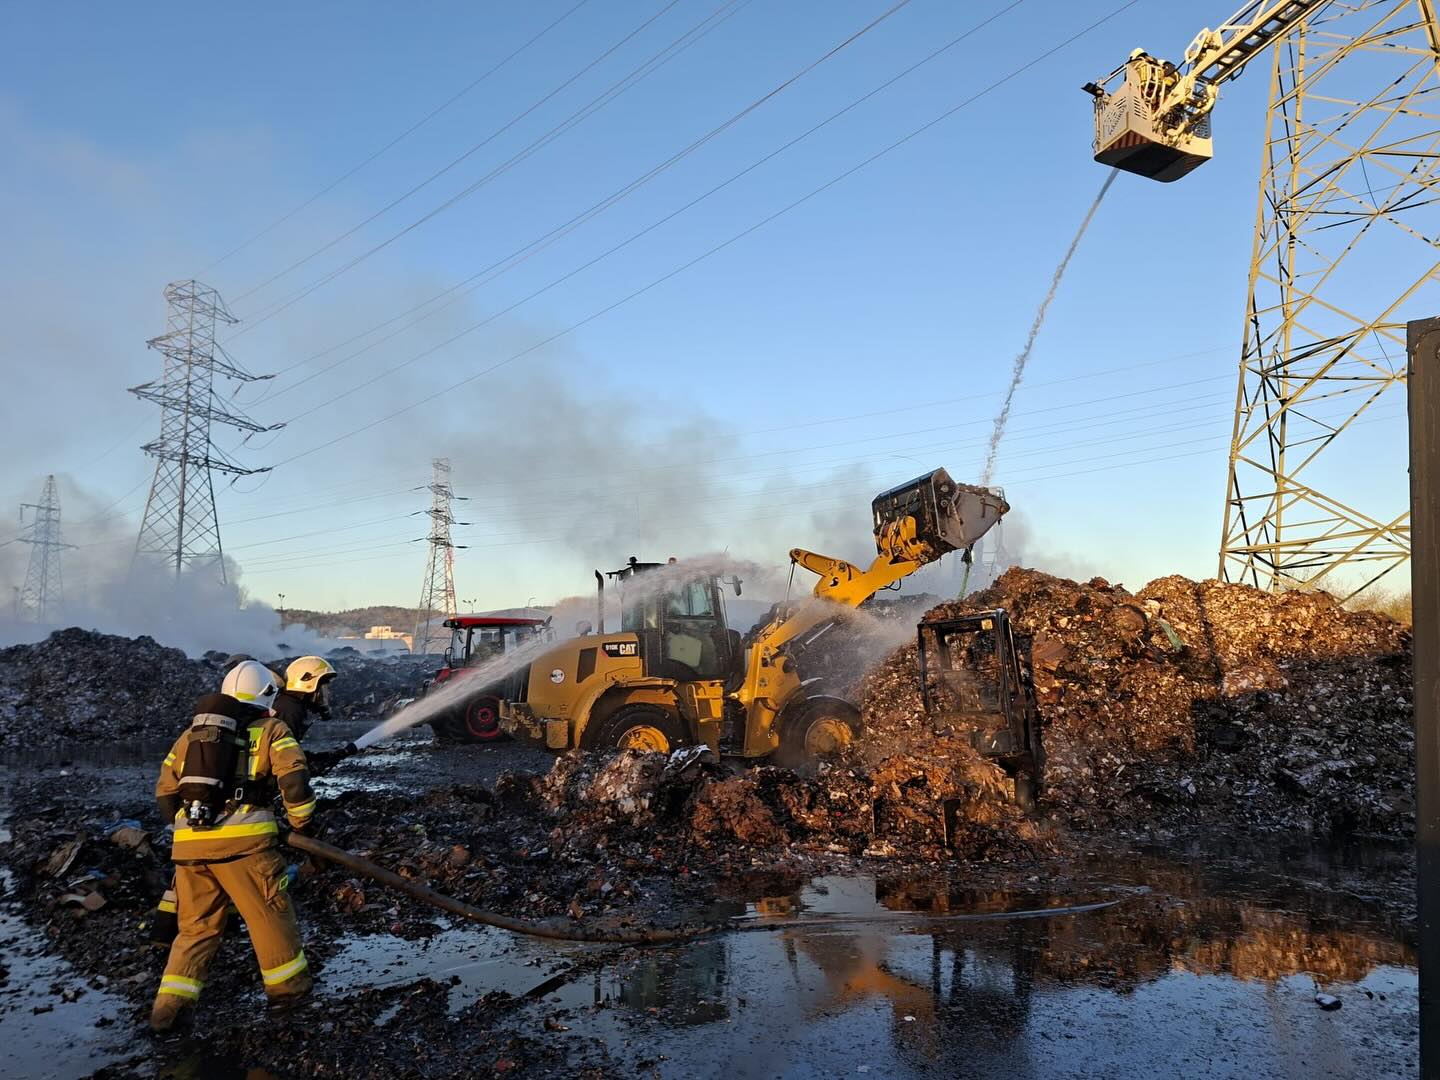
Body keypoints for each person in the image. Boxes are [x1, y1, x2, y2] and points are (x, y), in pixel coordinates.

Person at [149, 660, 317, 1033]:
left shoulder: (190, 736)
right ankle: (290, 1000)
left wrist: (193, 826)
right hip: (246, 850)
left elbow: (164, 794)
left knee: (196, 931)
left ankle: (167, 1014)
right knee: (269, 920)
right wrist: (301, 823)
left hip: (189, 850)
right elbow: (294, 783)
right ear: (267, 695)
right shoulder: (273, 729)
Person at [271, 656, 338, 741]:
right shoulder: (291, 709)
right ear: (308, 684)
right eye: (321, 688)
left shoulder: (287, 703)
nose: (326, 693)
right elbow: (287, 752)